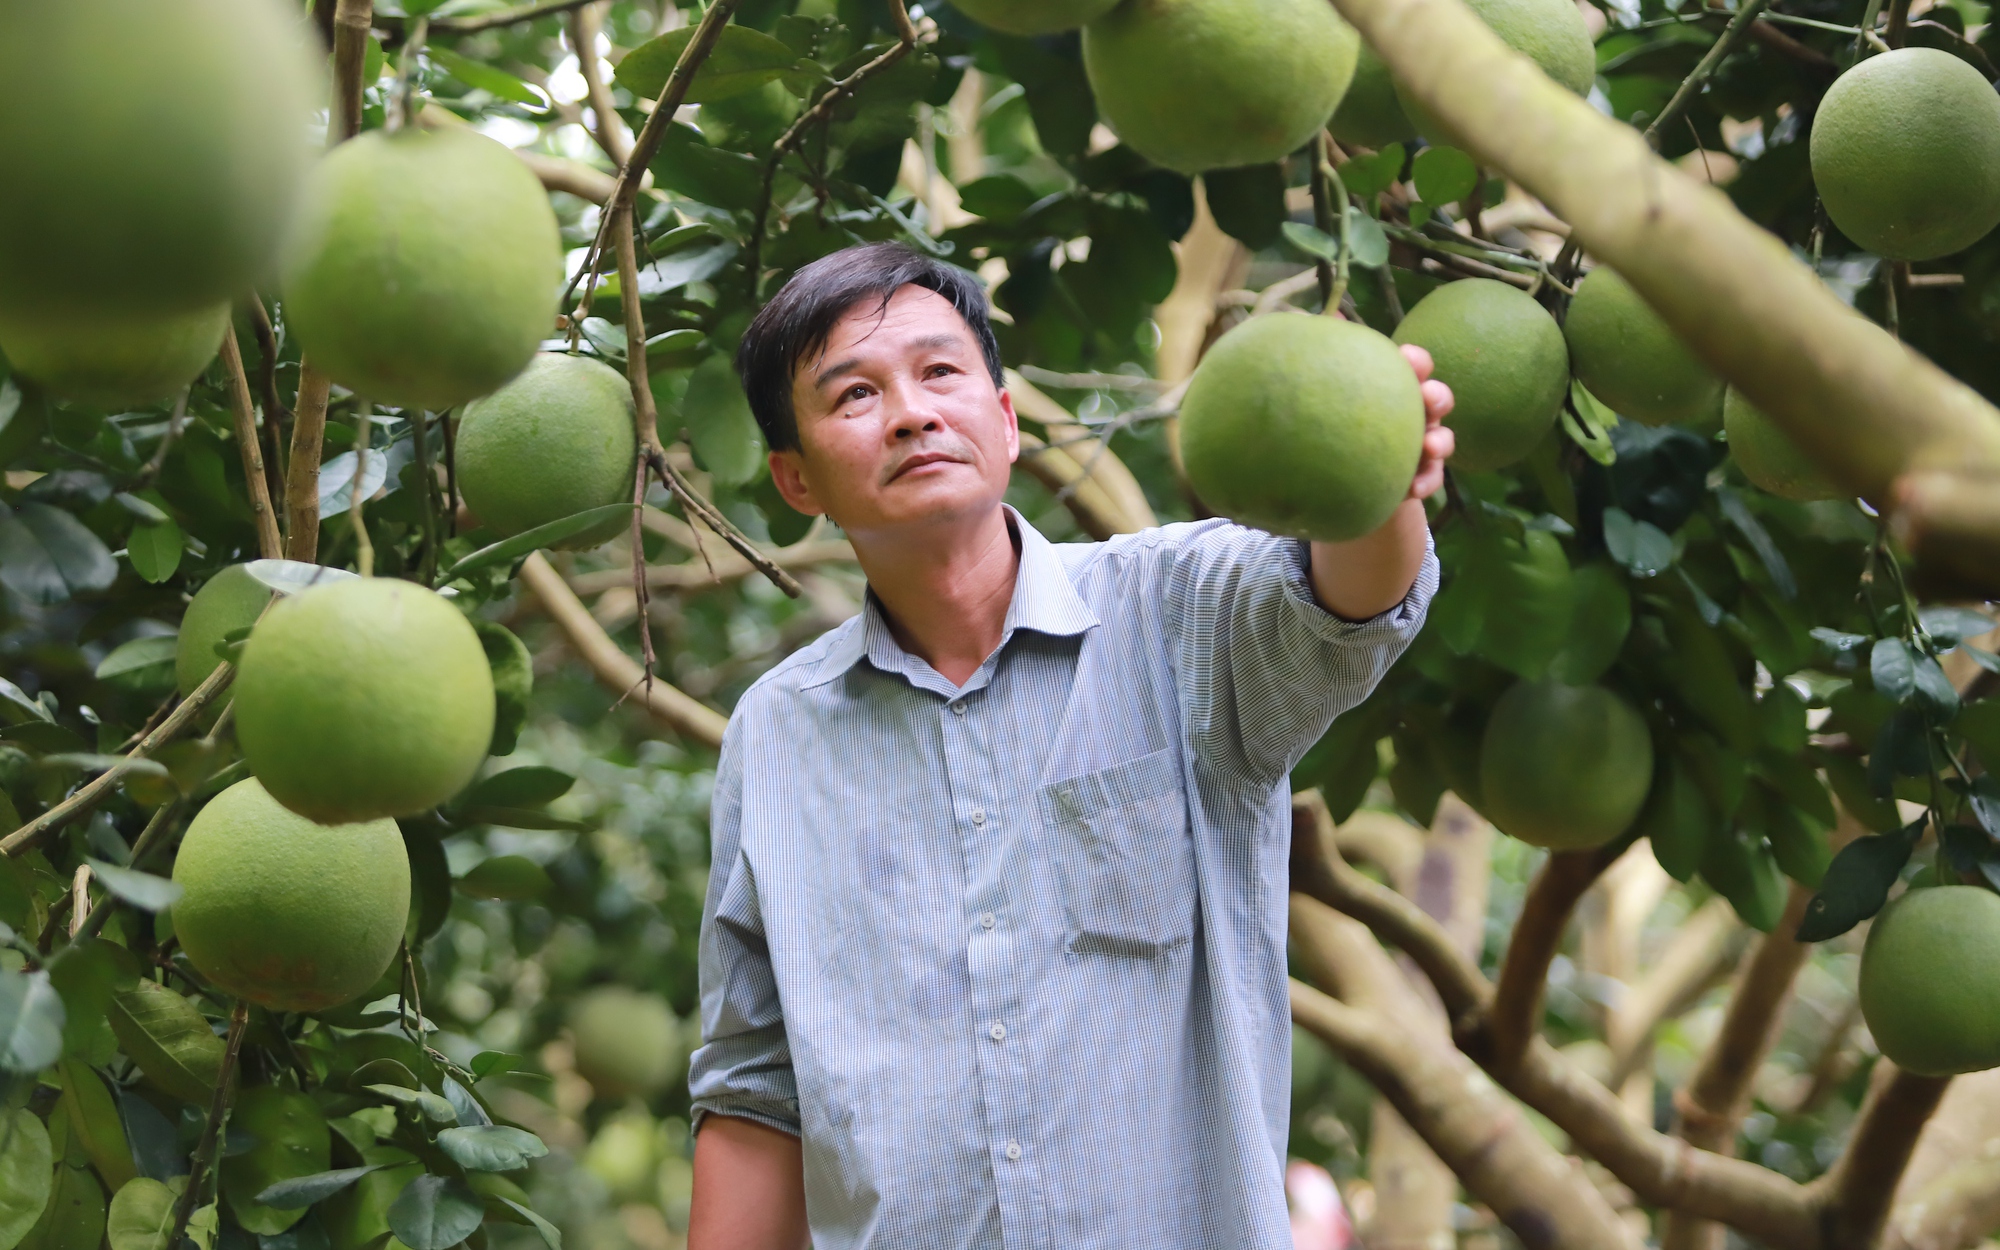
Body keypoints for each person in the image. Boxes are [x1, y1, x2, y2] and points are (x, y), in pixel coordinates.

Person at [686, 242, 1454, 1249]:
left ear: (1004, 424)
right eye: (854, 394)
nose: (912, 411)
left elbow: (1348, 600)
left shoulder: (1177, 612)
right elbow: (754, 1086)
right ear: (795, 478)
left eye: (941, 371)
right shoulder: (778, 734)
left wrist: (1378, 478)